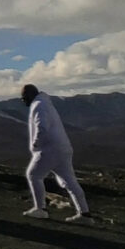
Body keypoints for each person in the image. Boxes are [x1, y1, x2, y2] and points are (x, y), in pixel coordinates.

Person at [20, 84, 93, 223]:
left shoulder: (39, 105)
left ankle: (40, 209)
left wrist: (36, 144)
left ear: (30, 95)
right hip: (62, 148)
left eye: (24, 97)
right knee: (70, 181)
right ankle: (85, 214)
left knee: (33, 175)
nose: (22, 100)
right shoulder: (45, 104)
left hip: (49, 149)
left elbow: (42, 127)